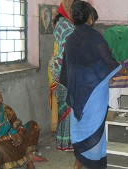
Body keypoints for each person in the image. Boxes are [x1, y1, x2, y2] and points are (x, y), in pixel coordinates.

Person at [59, 1, 121, 169]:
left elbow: (68, 68)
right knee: (94, 130)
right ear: (89, 17)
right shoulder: (94, 36)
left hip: (77, 93)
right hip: (93, 94)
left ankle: (79, 162)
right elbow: (108, 61)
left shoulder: (70, 38)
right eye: (93, 16)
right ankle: (93, 164)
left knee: (80, 129)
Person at [49, 0, 78, 151]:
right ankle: (66, 142)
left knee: (65, 104)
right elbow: (68, 48)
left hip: (62, 66)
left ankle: (64, 141)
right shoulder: (65, 24)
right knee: (67, 105)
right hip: (63, 67)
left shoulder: (63, 22)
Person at [0, 84, 40, 169]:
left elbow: (17, 123)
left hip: (13, 139)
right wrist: (9, 137)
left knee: (33, 126)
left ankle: (29, 161)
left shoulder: (6, 109)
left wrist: (19, 133)